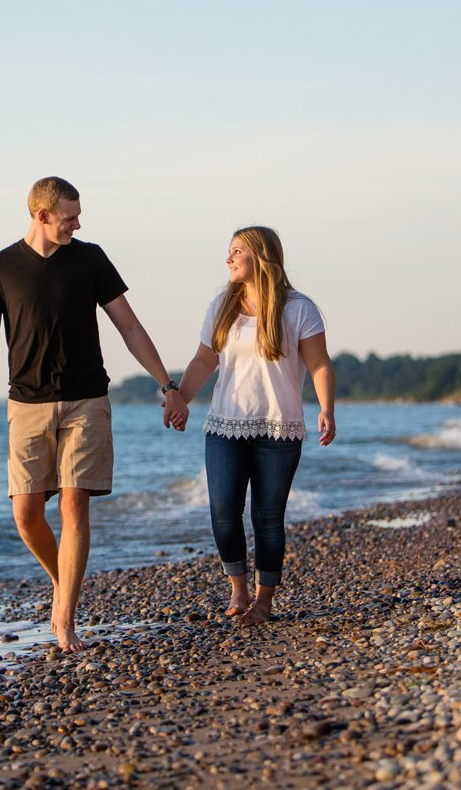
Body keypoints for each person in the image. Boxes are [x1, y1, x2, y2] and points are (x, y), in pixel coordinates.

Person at [0, 177, 182, 652]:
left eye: (78, 216)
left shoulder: (90, 259)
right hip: (25, 404)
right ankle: (63, 583)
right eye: (69, 217)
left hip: (87, 399)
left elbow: (128, 325)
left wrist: (166, 384)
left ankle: (64, 621)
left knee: (73, 505)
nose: (77, 224)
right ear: (41, 215)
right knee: (26, 515)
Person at [167, 225, 336, 626]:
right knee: (224, 510)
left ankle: (264, 600)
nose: (228, 258)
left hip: (279, 428)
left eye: (236, 251)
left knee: (267, 516)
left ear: (260, 256)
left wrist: (327, 408)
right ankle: (238, 587)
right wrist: (181, 400)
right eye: (229, 251)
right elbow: (204, 361)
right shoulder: (221, 306)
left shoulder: (298, 309)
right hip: (226, 426)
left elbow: (319, 364)